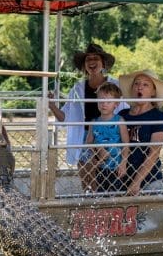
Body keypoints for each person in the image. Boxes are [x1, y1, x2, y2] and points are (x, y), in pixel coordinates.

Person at [48, 43, 126, 191]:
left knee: (105, 180)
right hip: (85, 137)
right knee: (87, 180)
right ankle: (88, 207)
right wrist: (51, 105)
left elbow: (126, 112)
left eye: (95, 58)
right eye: (88, 59)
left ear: (103, 63)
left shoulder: (116, 86)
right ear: (84, 65)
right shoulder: (77, 88)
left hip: (110, 136)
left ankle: (104, 208)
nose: (91, 62)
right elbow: (65, 118)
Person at [118, 69, 163, 196]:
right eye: (136, 84)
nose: (139, 87)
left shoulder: (158, 116)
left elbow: (153, 153)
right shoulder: (122, 115)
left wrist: (137, 182)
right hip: (120, 179)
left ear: (153, 92)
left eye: (145, 84)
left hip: (149, 181)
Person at [82, 82, 129, 192]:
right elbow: (88, 142)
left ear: (116, 104)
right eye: (101, 100)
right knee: (101, 193)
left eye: (108, 101)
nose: (104, 104)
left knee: (116, 194)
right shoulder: (93, 123)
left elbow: (126, 143)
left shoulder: (119, 121)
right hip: (100, 167)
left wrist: (123, 163)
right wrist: (96, 152)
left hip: (117, 167)